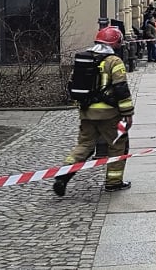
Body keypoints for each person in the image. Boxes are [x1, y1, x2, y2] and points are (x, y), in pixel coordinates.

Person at [54, 27, 135, 195]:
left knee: (84, 145)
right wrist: (127, 113)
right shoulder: (114, 61)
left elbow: (72, 84)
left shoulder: (85, 58)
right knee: (118, 145)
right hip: (110, 115)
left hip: (87, 112)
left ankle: (63, 175)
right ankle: (113, 182)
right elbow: (121, 88)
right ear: (116, 42)